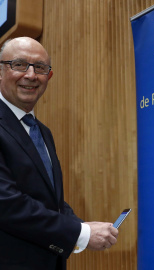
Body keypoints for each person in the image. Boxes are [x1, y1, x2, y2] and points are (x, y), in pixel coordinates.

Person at [0, 37, 118, 270]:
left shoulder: (42, 131)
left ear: (49, 77)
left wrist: (80, 225)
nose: (31, 75)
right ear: (1, 71)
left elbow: (48, 199)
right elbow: (6, 203)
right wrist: (81, 233)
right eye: (20, 64)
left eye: (40, 68)